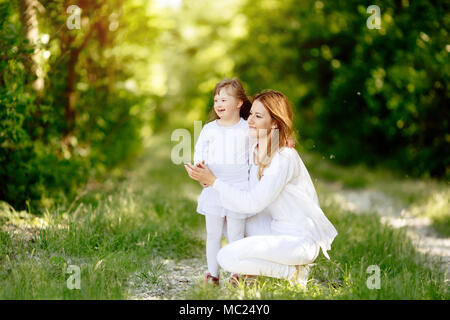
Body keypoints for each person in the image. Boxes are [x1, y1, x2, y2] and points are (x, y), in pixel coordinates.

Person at [185, 90, 338, 287]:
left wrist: (215, 181)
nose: (250, 120)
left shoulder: (284, 157)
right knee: (222, 214)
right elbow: (225, 143)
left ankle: (291, 272)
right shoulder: (254, 148)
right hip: (272, 228)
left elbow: (253, 202)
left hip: (298, 239)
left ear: (274, 123)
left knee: (226, 257)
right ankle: (257, 268)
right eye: (251, 114)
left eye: (258, 116)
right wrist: (203, 173)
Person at [192, 78, 254, 285]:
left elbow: (264, 147)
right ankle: (212, 273)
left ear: (239, 103)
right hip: (213, 190)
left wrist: (285, 140)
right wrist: (199, 168)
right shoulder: (210, 129)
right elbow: (199, 152)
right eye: (216, 99)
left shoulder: (247, 129)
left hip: (238, 189)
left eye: (224, 99)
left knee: (236, 234)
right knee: (213, 234)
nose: (218, 104)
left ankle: (236, 273)